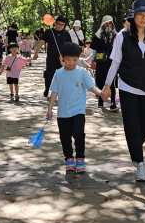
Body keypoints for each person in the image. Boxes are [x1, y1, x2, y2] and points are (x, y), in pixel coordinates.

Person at [101, 0, 145, 182]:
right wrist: (107, 86)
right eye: (140, 14)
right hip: (127, 86)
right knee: (132, 125)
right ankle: (140, 162)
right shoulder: (122, 36)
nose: (143, 17)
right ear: (133, 17)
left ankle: (134, 146)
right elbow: (115, 62)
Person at [45, 43, 105, 173]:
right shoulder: (58, 74)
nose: (71, 62)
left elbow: (91, 87)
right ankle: (69, 159)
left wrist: (101, 93)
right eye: (68, 59)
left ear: (79, 58)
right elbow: (54, 92)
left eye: (75, 59)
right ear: (62, 58)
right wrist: (49, 109)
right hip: (63, 113)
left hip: (78, 111)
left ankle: (80, 159)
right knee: (65, 137)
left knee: (79, 134)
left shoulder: (82, 72)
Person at [32, 15, 70, 97]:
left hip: (62, 59)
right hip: (51, 58)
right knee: (49, 74)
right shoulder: (49, 32)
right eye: (58, 24)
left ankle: (60, 92)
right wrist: (36, 53)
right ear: (55, 23)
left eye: (62, 25)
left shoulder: (66, 33)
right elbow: (41, 42)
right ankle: (47, 88)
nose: (60, 26)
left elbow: (69, 45)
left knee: (62, 75)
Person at [91, 15, 119, 112]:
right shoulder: (98, 35)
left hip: (112, 61)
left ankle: (113, 103)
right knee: (100, 80)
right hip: (100, 61)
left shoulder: (116, 35)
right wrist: (92, 61)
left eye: (110, 23)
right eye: (106, 23)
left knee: (111, 81)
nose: (108, 25)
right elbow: (94, 48)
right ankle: (100, 99)